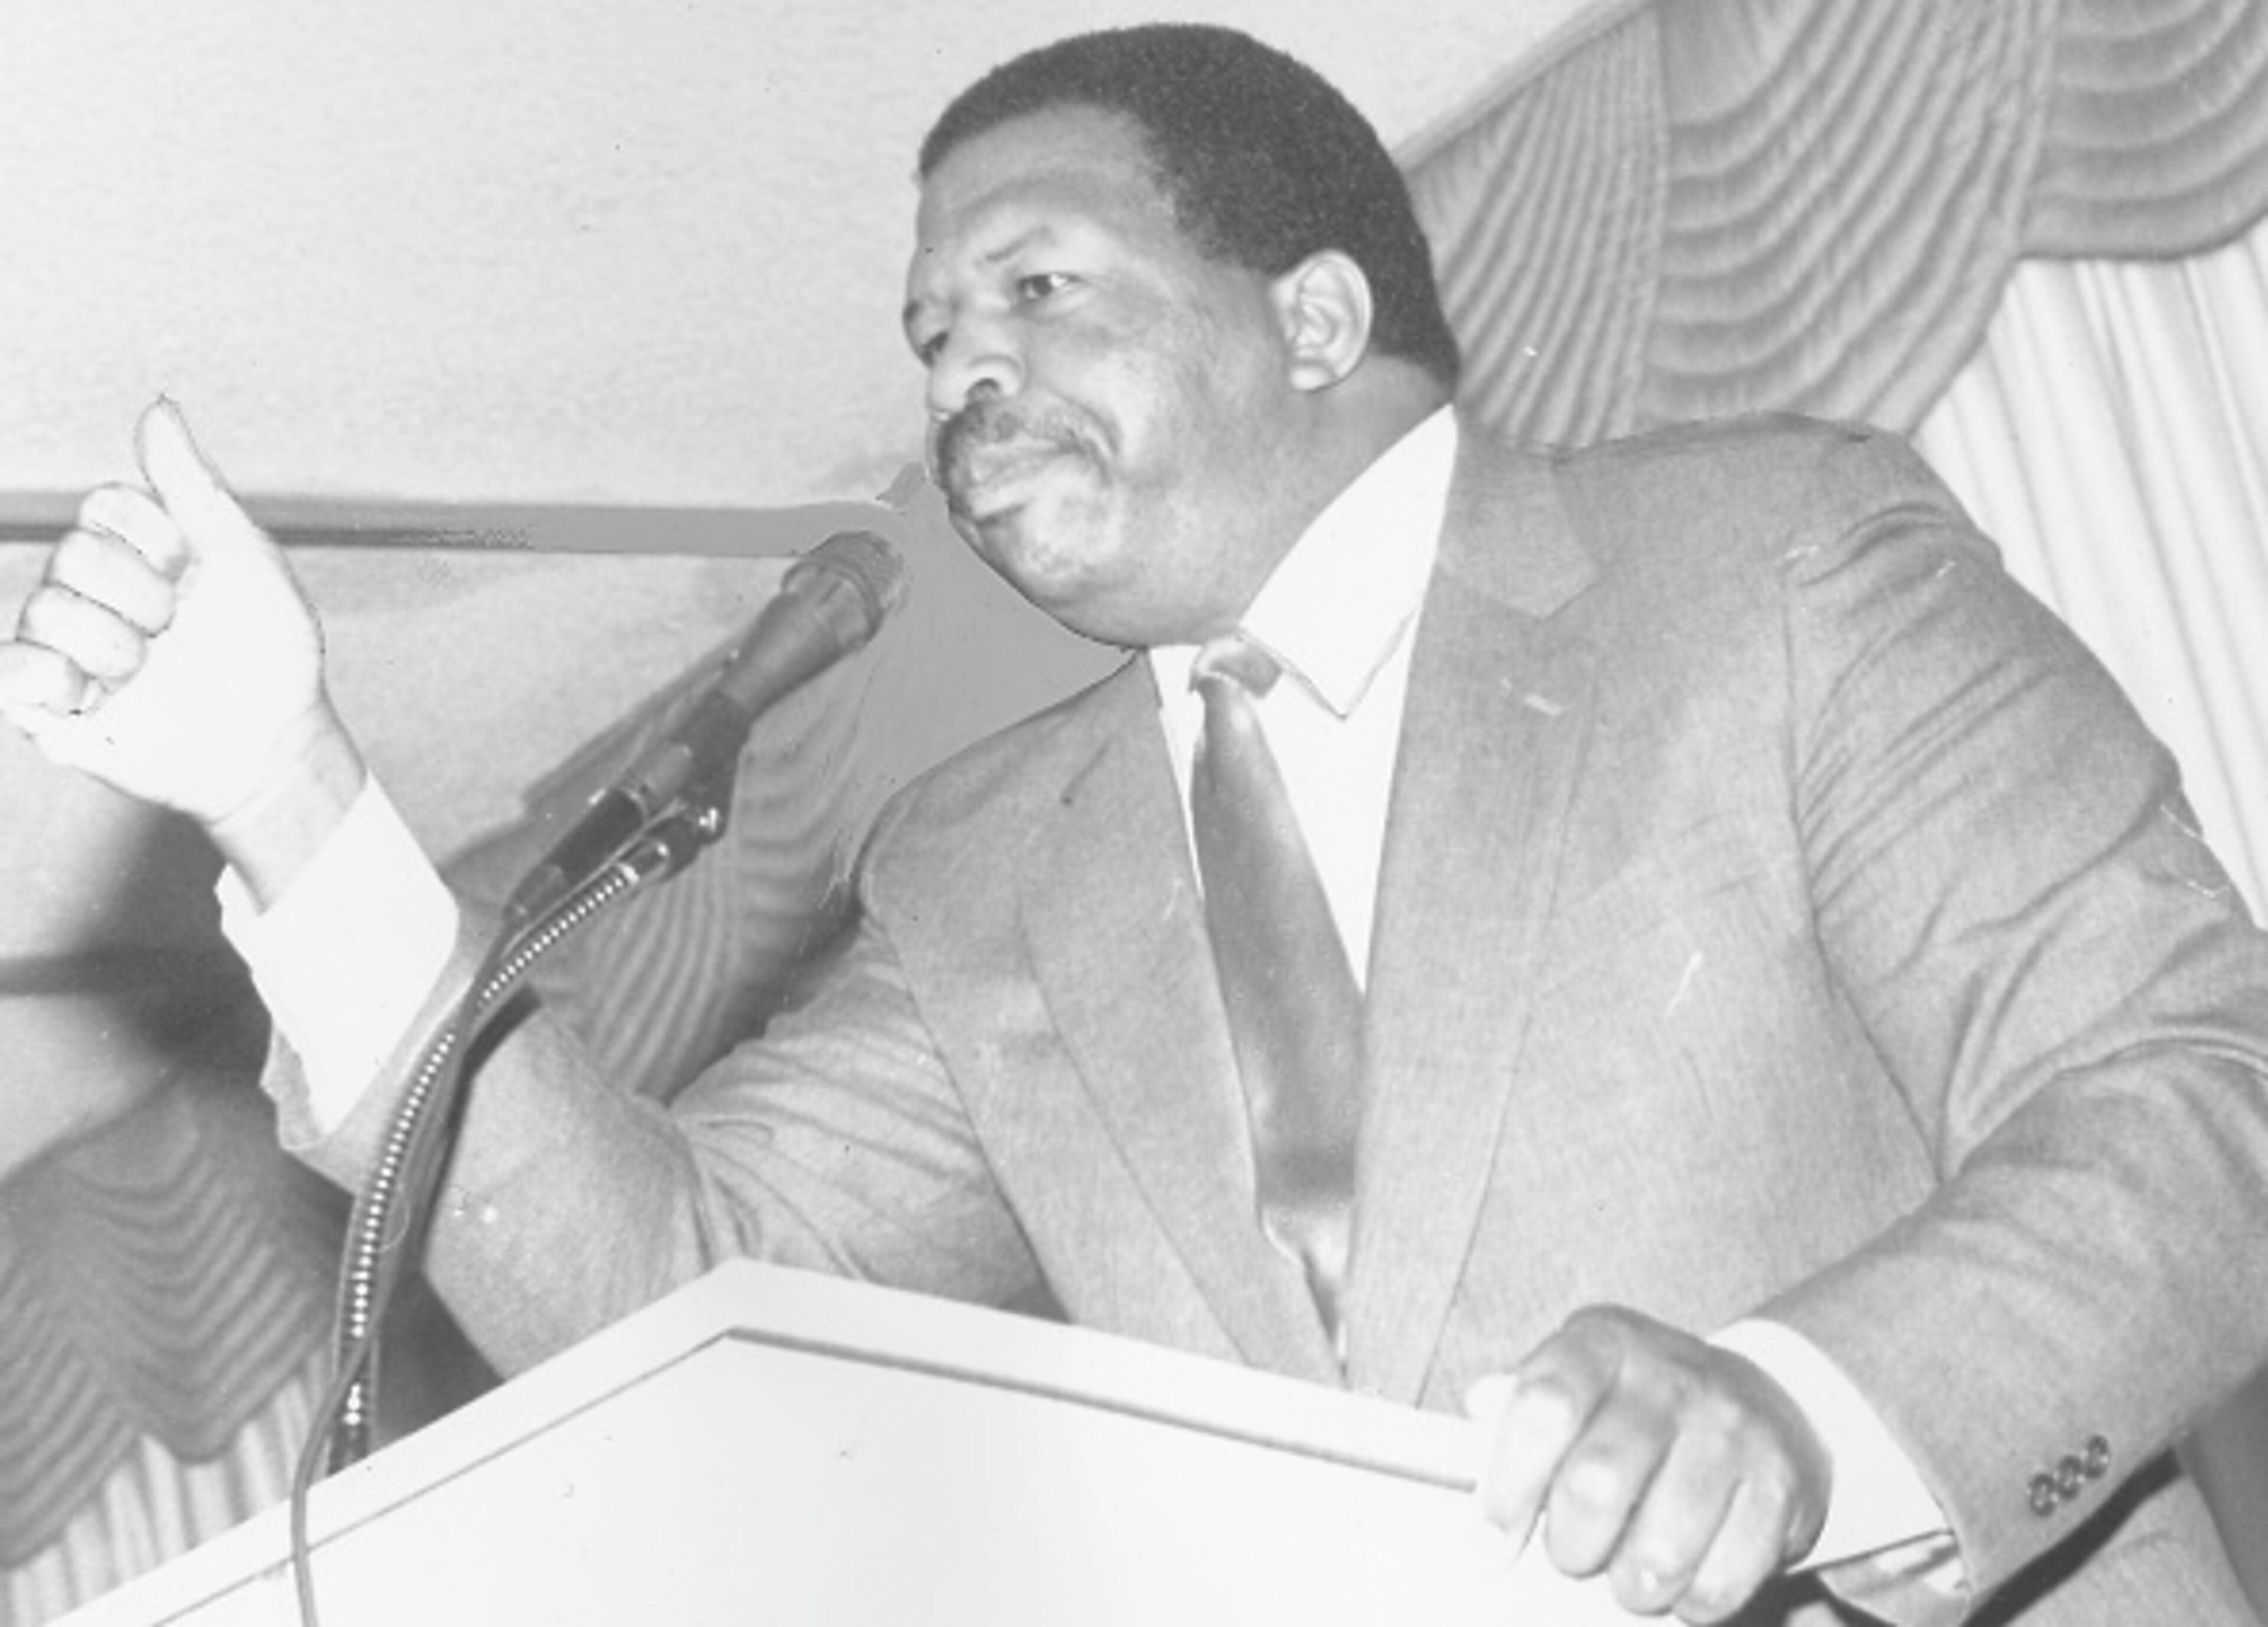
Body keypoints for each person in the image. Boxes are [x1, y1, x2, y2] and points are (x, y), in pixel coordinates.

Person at [6, 22, 2268, 1625]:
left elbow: (2201, 1095)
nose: (959, 372)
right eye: (929, 338)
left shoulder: (1770, 561)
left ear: (1314, 309)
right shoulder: (990, 863)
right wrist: (289, 789)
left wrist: (1797, 1419)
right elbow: (673, 1283)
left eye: (1035, 287)